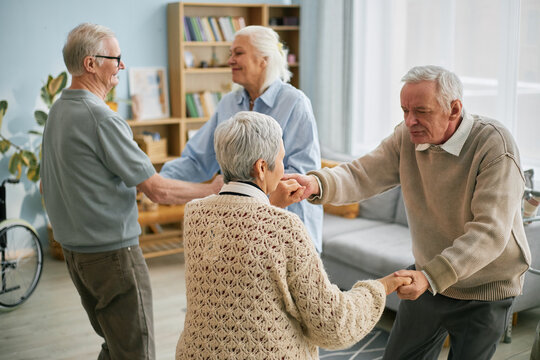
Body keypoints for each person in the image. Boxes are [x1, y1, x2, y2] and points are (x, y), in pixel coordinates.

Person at [285, 65, 532, 360]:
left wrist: (430, 276)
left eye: (421, 111)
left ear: (454, 109)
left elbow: (489, 232)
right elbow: (361, 174)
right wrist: (316, 183)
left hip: (485, 286)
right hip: (429, 276)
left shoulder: (493, 145)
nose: (409, 121)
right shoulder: (407, 136)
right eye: (404, 110)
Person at [41, 23, 222, 360]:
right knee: (135, 351)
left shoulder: (58, 110)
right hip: (112, 257)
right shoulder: (100, 118)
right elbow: (156, 190)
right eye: (116, 58)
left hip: (76, 254)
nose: (122, 66)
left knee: (115, 344)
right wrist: (211, 189)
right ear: (91, 64)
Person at [175, 111, 411, 359]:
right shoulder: (285, 227)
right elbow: (332, 323)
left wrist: (270, 207)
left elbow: (238, 259)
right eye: (281, 159)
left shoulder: (195, 214)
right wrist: (381, 286)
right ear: (261, 167)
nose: (283, 169)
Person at [160, 25, 324, 252]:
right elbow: (198, 159)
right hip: (239, 223)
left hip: (287, 226)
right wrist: (158, 180)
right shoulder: (228, 103)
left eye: (238, 53)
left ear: (263, 60)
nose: (230, 60)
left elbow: (299, 176)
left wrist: (239, 191)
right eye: (230, 54)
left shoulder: (295, 102)